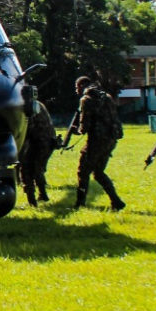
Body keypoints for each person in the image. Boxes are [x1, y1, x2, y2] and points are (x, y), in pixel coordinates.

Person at [64, 75, 126, 211]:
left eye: (76, 88)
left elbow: (84, 126)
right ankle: (116, 201)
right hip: (111, 140)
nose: (76, 91)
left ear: (81, 86)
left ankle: (80, 203)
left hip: (97, 141)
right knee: (98, 172)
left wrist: (76, 131)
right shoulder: (107, 97)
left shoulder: (86, 100)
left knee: (83, 171)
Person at [18, 94, 56, 207]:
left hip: (39, 142)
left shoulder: (27, 107)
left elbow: (27, 129)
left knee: (26, 170)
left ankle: (32, 201)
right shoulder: (37, 104)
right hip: (48, 141)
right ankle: (43, 195)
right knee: (38, 169)